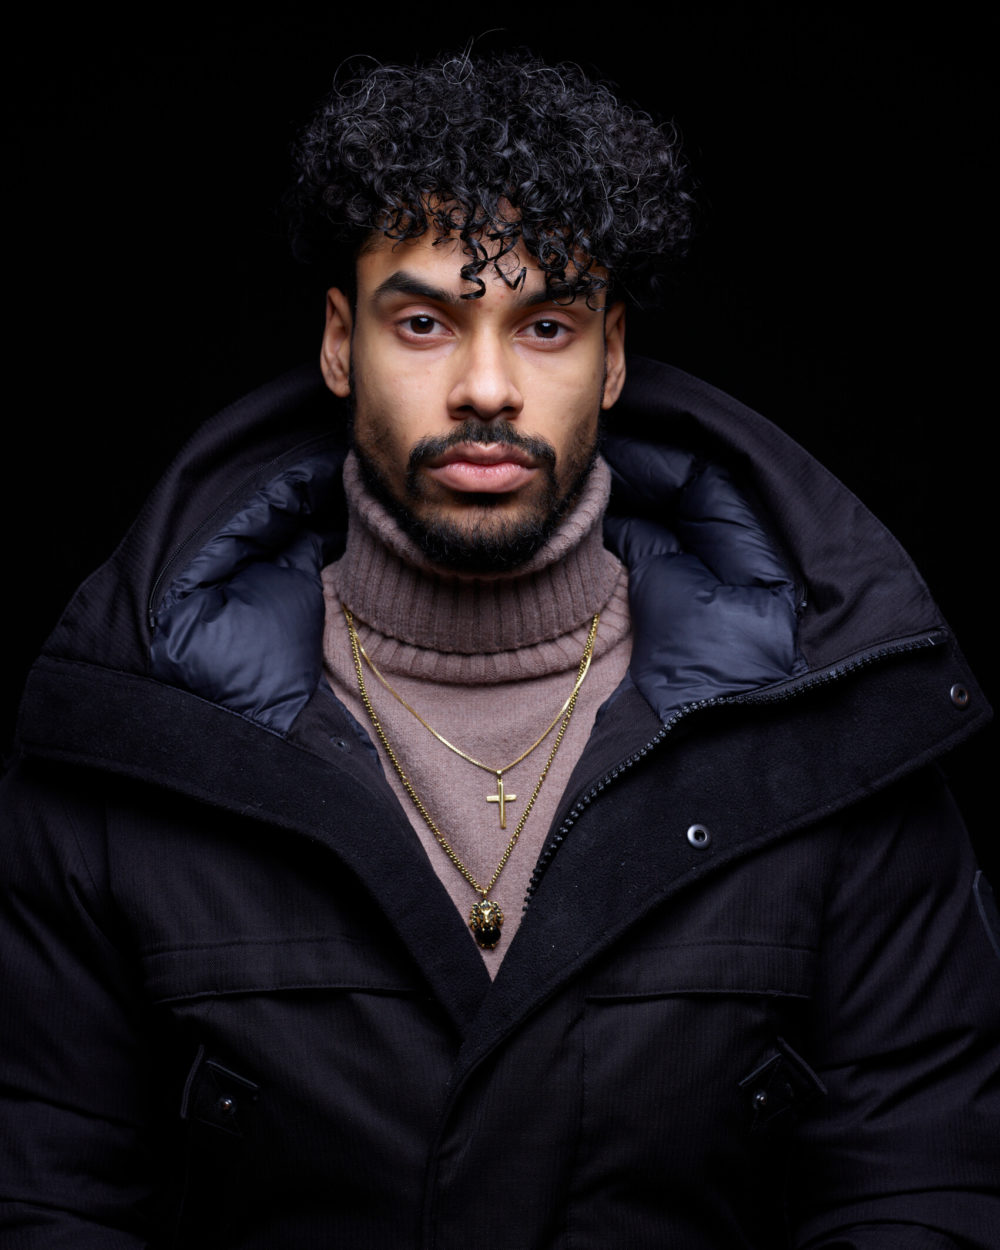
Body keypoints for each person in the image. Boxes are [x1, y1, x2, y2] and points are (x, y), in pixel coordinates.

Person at [1, 48, 997, 1249]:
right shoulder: (145, 736)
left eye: (546, 323)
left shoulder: (824, 732)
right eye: (424, 320)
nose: (485, 386)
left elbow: (919, 1186)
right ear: (338, 343)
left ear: (611, 356)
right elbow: (48, 1196)